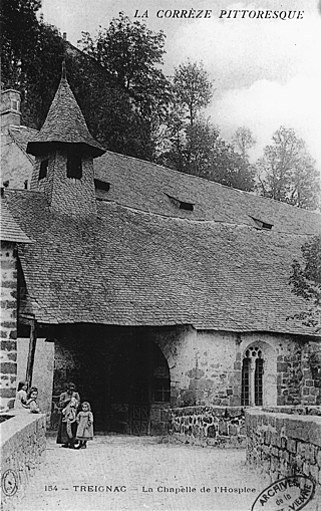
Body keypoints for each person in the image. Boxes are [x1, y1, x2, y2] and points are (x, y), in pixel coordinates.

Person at [56, 382, 80, 448]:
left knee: (73, 427)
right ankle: (65, 441)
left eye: (72, 390)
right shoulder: (63, 395)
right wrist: (67, 400)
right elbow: (60, 404)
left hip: (72, 413)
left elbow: (78, 403)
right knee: (64, 428)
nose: (70, 391)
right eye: (69, 389)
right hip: (65, 413)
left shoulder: (76, 395)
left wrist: (74, 403)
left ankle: (72, 441)